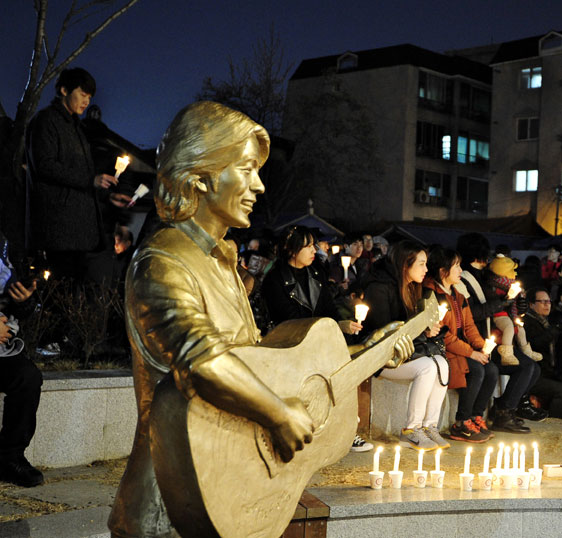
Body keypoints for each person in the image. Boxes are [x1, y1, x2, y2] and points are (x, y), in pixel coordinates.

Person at [108, 102, 414, 537]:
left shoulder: (220, 262)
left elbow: (261, 361)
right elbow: (201, 361)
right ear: (200, 175)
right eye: (247, 169)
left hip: (231, 481)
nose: (259, 186)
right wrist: (277, 414)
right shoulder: (162, 263)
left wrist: (370, 352)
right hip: (171, 504)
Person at [260, 225, 372, 453]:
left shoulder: (316, 274)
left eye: (314, 245)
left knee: (347, 370)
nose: (315, 250)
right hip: (290, 345)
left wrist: (342, 325)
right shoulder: (275, 279)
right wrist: (325, 328)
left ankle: (349, 430)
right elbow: (287, 319)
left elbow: (328, 309)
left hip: (319, 342)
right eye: (308, 245)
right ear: (292, 250)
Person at [26, 67, 131, 282]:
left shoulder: (77, 129)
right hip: (59, 229)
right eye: (83, 94)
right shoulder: (46, 121)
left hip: (81, 231)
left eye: (89, 96)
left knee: (81, 291)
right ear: (64, 90)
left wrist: (106, 196)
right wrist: (92, 180)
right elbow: (44, 165)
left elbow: (82, 177)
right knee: (62, 290)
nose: (86, 101)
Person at [362, 240, 449, 451]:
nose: (426, 269)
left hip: (408, 353)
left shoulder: (414, 289)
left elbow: (412, 330)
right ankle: (411, 430)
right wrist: (421, 331)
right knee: (428, 367)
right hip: (383, 358)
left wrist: (428, 330)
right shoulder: (380, 288)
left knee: (441, 363)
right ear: (404, 264)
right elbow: (385, 333)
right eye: (421, 263)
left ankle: (429, 426)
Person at [456, 232, 541, 432]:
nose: (487, 260)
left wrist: (517, 305)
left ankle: (506, 407)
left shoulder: (485, 277)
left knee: (533, 368)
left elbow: (500, 306)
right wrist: (502, 303)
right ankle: (503, 412)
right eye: (484, 256)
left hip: (491, 335)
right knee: (526, 366)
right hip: (479, 339)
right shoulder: (465, 279)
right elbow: (471, 313)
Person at [422, 247, 493, 443]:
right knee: (476, 370)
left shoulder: (457, 293)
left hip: (460, 348)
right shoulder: (431, 293)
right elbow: (443, 336)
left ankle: (475, 417)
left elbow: (469, 326)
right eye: (457, 266)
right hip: (443, 350)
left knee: (491, 369)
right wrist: (471, 353)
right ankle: (461, 423)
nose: (461, 270)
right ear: (443, 270)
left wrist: (482, 347)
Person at [0, 246, 43, 487]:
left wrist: (24, 300)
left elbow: (19, 309)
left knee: (27, 377)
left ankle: (10, 458)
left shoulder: (5, 247)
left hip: (4, 348)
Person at [525, 287, 562, 420]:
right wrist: (559, 327)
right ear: (531, 304)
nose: (547, 304)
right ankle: (555, 424)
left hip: (549, 370)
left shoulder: (546, 322)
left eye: (548, 301)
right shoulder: (527, 322)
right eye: (542, 302)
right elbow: (536, 343)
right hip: (535, 374)